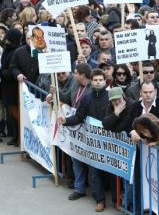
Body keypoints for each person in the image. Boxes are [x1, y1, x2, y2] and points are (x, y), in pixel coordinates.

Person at [58, 68, 109, 212]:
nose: (98, 83)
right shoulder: (86, 98)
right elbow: (79, 117)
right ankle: (100, 200)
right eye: (95, 80)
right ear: (91, 82)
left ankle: (117, 200)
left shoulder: (111, 96)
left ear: (105, 82)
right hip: (93, 140)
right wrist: (65, 120)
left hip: (109, 139)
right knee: (94, 171)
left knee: (112, 172)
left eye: (100, 80)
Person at [0, 28, 23, 146]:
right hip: (7, 85)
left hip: (13, 86)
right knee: (11, 113)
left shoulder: (16, 50)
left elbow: (13, 68)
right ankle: (16, 136)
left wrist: (3, 72)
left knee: (16, 113)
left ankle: (20, 138)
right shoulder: (8, 49)